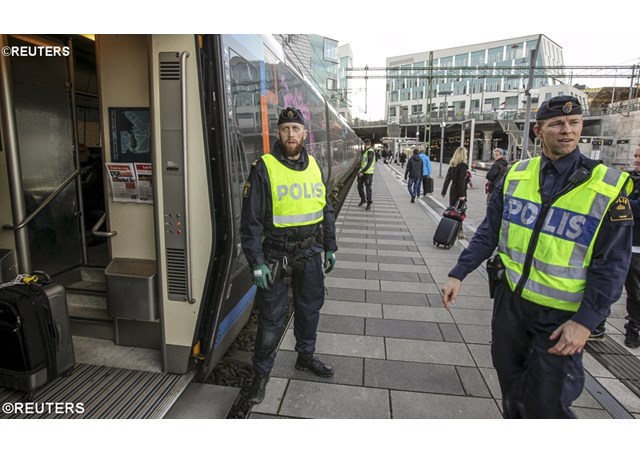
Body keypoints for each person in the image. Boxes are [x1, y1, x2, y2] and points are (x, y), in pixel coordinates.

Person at [441, 95, 633, 418]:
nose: (567, 131)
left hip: (561, 318)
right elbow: (490, 231)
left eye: (574, 123)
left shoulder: (606, 188)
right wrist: (459, 272)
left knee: (547, 404)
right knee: (511, 389)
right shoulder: (516, 175)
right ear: (538, 131)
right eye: (557, 124)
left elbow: (612, 265)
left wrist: (587, 321)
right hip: (511, 305)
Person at [240, 107, 338, 405]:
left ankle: (305, 356)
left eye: (296, 128)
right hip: (275, 255)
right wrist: (256, 262)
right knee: (271, 319)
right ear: (278, 133)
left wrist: (331, 246)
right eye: (285, 129)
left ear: (304, 133)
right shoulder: (263, 167)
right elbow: (251, 222)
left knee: (310, 309)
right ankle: (261, 375)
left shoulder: (315, 167)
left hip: (309, 253)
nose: (291, 134)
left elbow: (326, 209)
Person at [622, 145, 640, 348]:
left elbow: (635, 208)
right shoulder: (626, 178)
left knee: (636, 292)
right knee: (608, 286)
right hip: (619, 242)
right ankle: (597, 324)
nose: (636, 159)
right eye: (635, 155)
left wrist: (620, 201)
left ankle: (634, 328)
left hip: (637, 247)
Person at [357, 138, 376, 211]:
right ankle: (363, 199)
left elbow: (369, 163)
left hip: (368, 173)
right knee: (359, 186)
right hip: (362, 172)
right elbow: (363, 162)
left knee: (368, 188)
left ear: (365, 144)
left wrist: (362, 171)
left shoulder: (370, 152)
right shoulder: (365, 151)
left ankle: (369, 203)